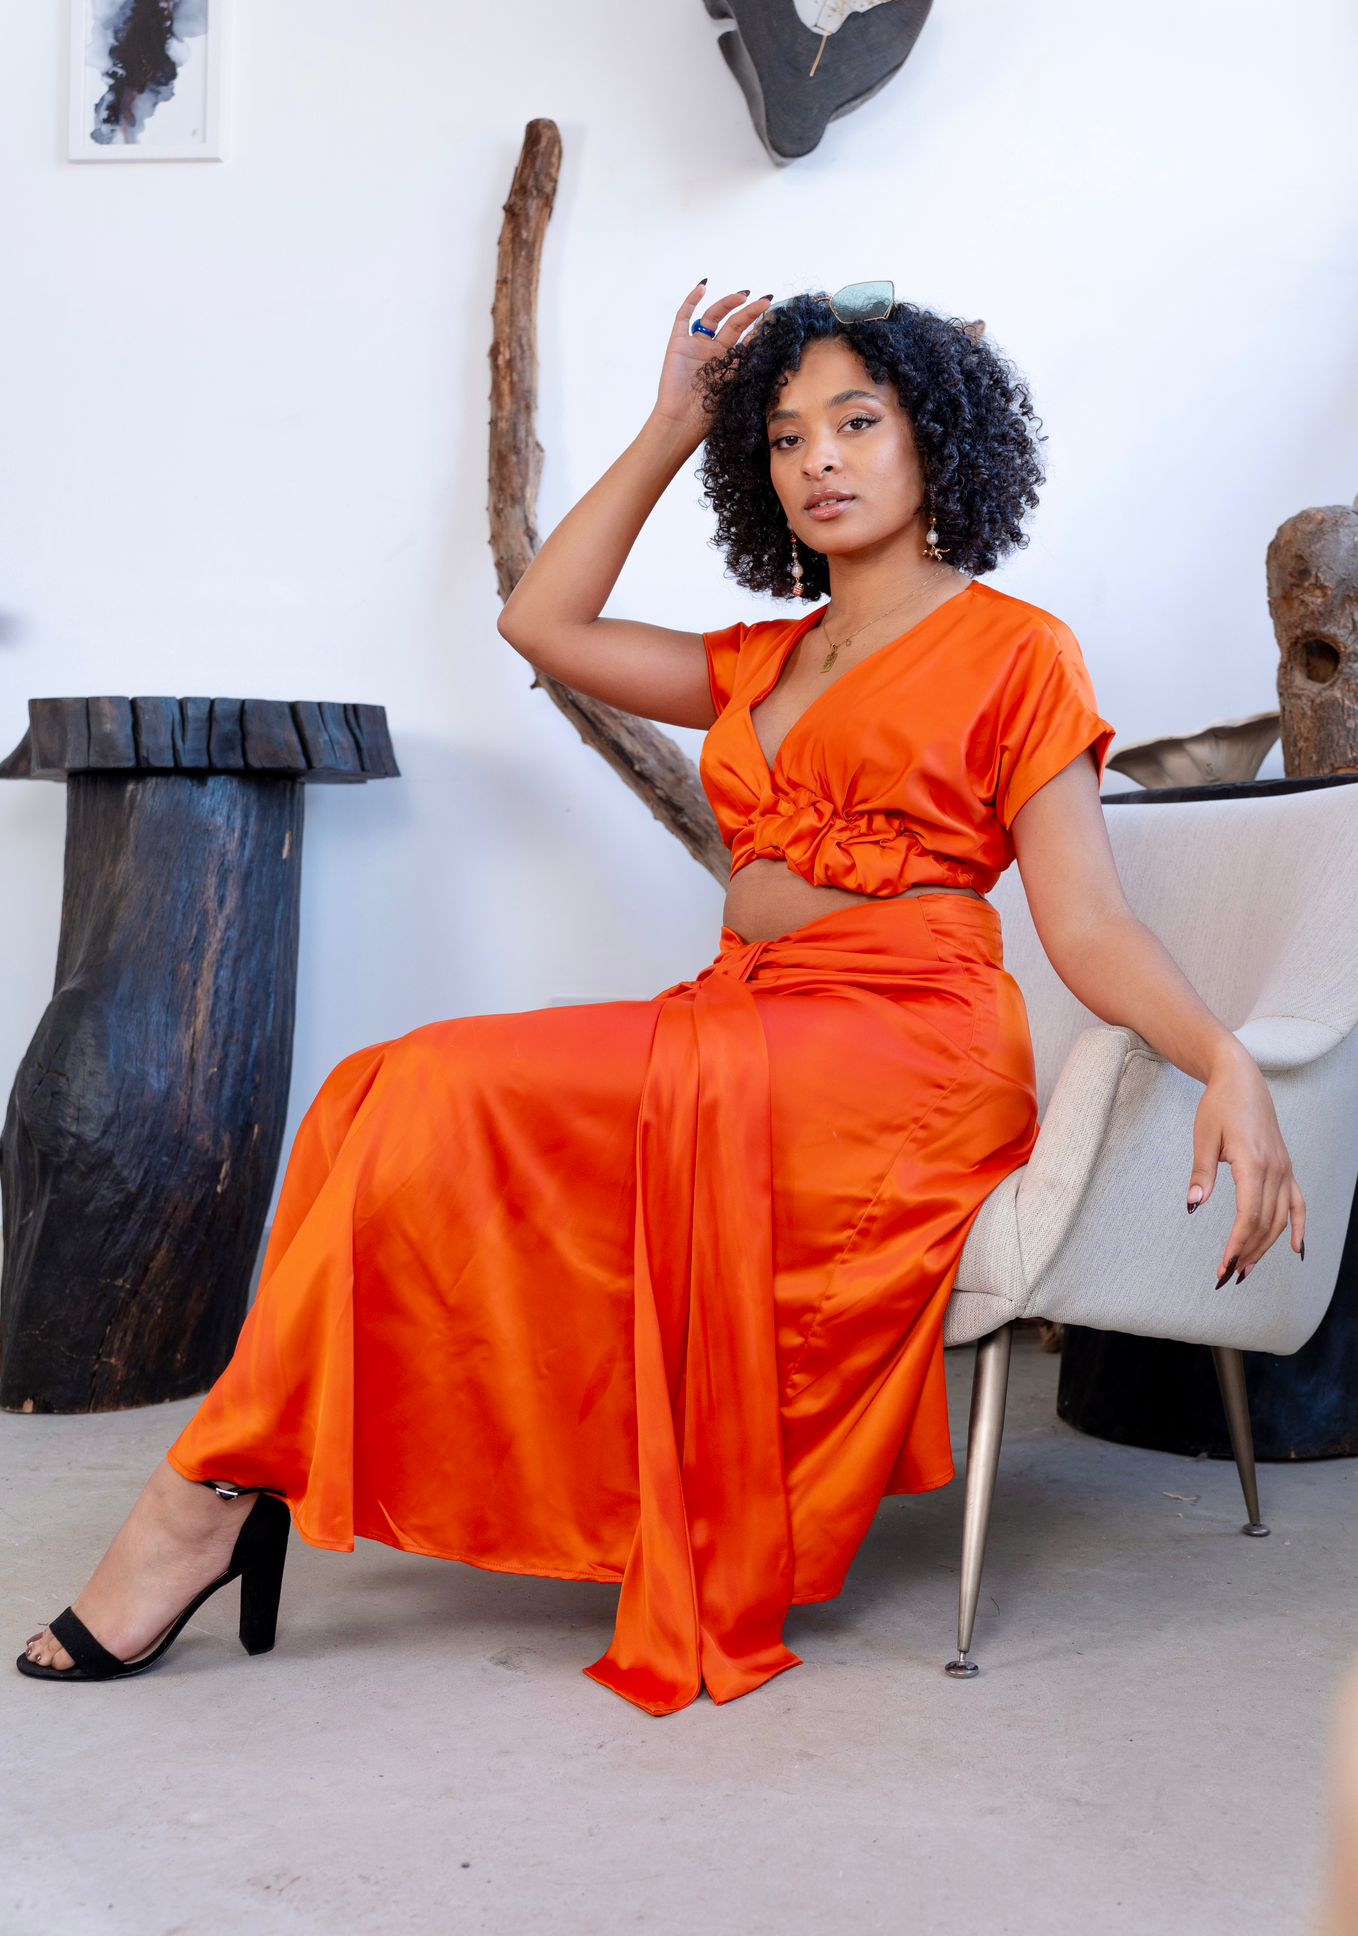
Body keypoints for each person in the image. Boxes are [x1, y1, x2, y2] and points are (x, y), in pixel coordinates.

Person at [16, 279, 1306, 1714]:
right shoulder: (760, 661)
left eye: (856, 422)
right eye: (781, 435)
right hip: (749, 1013)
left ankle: (199, 1499)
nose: (815, 457)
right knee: (389, 1083)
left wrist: (1222, 1059)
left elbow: (1088, 923)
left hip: (903, 1059)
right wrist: (669, 424)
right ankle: (242, 1468)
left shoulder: (1018, 652)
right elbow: (540, 620)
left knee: (440, 1088)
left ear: (935, 441)